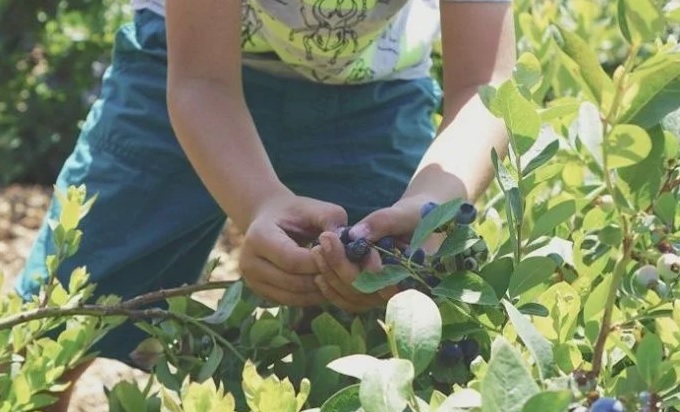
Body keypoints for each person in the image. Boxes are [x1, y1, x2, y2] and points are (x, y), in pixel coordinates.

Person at [16, 0, 515, 410]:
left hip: (372, 93)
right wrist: (257, 202)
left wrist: (430, 205)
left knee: (379, 347)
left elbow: (484, 84)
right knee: (47, 336)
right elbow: (202, 81)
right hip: (182, 71)